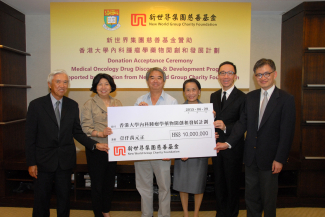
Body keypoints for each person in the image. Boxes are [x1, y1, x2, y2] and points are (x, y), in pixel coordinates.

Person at [216, 58, 296, 217]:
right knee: (251, 199)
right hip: (250, 158)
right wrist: (228, 143)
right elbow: (241, 124)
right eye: (259, 75)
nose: (263, 77)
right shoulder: (250, 97)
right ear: (255, 77)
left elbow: (287, 133)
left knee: (268, 199)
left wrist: (280, 159)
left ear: (275, 74)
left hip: (271, 159)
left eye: (266, 73)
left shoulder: (286, 99)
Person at [25, 69, 109, 217]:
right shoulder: (36, 105)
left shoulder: (72, 105)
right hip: (43, 161)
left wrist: (95, 144)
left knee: (64, 198)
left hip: (65, 160)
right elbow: (30, 137)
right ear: (50, 84)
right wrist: (31, 162)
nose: (62, 85)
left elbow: (77, 132)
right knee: (41, 199)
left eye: (65, 82)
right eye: (58, 82)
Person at [134, 67, 178, 217]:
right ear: (147, 81)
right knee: (143, 187)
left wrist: (170, 152)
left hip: (162, 151)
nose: (155, 81)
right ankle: (146, 214)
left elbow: (174, 128)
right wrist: (139, 114)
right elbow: (132, 126)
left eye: (159, 77)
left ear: (164, 81)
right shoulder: (140, 101)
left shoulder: (172, 101)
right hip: (142, 152)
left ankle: (163, 215)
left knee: (164, 187)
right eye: (152, 77)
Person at [81, 73, 122, 217]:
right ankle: (98, 213)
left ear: (111, 86)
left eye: (106, 84)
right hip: (97, 149)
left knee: (109, 183)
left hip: (113, 149)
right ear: (95, 87)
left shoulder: (117, 103)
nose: (103, 87)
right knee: (97, 184)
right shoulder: (89, 104)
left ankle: (106, 211)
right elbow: (85, 128)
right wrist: (100, 134)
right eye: (100, 84)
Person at [210, 61, 246, 217]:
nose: (226, 76)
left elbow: (243, 123)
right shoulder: (214, 95)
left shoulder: (243, 97)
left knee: (232, 186)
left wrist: (225, 127)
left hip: (233, 148)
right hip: (216, 148)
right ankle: (220, 213)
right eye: (222, 73)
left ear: (235, 76)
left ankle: (231, 214)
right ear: (218, 76)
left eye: (229, 73)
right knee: (218, 184)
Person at [173, 78, 209, 217]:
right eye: (188, 90)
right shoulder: (178, 110)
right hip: (182, 154)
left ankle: (196, 214)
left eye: (194, 89)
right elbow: (174, 133)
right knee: (183, 185)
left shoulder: (207, 111)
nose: (191, 93)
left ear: (199, 92)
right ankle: (186, 214)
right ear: (184, 93)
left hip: (200, 155)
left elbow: (208, 135)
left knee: (198, 186)